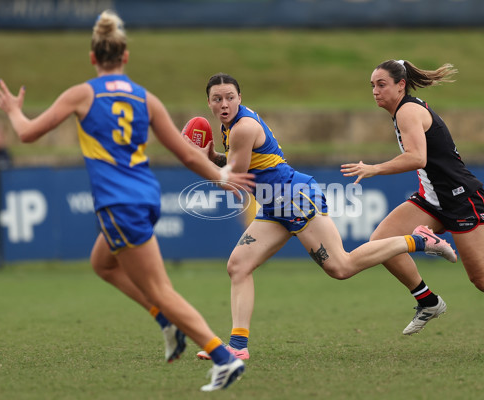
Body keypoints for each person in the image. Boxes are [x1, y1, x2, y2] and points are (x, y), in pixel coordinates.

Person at [0, 10, 254, 391]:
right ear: (125, 57)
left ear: (93, 58)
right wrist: (221, 174)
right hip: (144, 196)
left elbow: (28, 134)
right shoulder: (145, 97)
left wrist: (14, 110)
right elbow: (186, 152)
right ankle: (165, 322)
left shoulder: (82, 93)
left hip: (119, 203)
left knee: (160, 289)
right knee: (102, 263)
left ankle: (222, 357)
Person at [194, 72, 457, 361]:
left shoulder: (242, 127)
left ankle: (418, 240)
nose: (224, 104)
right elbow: (239, 164)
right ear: (208, 103)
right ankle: (238, 346)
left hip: (296, 198)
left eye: (230, 97)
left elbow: (236, 181)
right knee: (238, 266)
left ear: (240, 98)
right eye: (217, 99)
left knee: (341, 267)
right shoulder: (230, 126)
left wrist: (195, 159)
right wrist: (212, 156)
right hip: (274, 204)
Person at [341, 59, 484, 355]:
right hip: (432, 199)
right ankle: (427, 301)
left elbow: (417, 158)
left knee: (483, 279)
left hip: (462, 199)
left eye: (381, 84)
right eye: (372, 85)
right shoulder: (403, 111)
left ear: (401, 85)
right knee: (381, 244)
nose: (375, 91)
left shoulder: (408, 111)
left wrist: (374, 169)